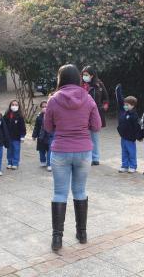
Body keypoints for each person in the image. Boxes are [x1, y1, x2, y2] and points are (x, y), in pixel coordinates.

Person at [44, 64, 102, 252]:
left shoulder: (53, 100)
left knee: (59, 193)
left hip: (60, 150)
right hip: (83, 150)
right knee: (80, 191)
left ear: (60, 78)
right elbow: (96, 126)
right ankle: (82, 233)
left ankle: (57, 239)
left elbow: (48, 127)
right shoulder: (88, 98)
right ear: (78, 78)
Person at [81, 66, 108, 166]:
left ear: (92, 75)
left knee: (94, 137)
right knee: (85, 136)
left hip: (96, 114)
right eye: (83, 74)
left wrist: (104, 107)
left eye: (86, 75)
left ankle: (95, 158)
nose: (84, 76)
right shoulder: (80, 85)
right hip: (83, 114)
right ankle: (86, 157)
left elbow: (105, 98)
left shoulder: (99, 85)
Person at [115, 84, 141, 173]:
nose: (125, 106)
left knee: (131, 152)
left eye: (127, 105)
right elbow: (119, 99)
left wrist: (138, 136)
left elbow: (137, 127)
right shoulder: (123, 112)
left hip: (130, 138)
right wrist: (118, 90)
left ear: (133, 105)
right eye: (124, 104)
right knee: (124, 152)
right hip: (123, 137)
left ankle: (133, 166)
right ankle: (124, 165)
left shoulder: (134, 115)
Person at [5, 99, 26, 170]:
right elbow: (3, 126)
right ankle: (9, 162)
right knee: (9, 150)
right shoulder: (7, 115)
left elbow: (23, 127)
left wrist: (22, 136)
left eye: (16, 105)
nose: (14, 106)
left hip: (17, 137)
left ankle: (15, 163)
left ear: (18, 106)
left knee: (16, 149)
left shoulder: (20, 116)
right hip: (8, 137)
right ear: (10, 106)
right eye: (12, 105)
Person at [32, 101, 52, 171]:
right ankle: (43, 160)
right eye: (43, 107)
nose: (44, 108)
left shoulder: (51, 115)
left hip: (49, 135)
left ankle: (50, 164)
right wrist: (34, 135)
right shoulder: (39, 117)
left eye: (46, 106)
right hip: (41, 136)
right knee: (41, 150)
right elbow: (36, 127)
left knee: (50, 150)